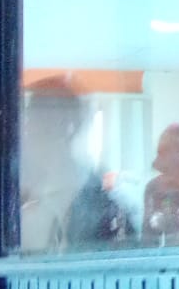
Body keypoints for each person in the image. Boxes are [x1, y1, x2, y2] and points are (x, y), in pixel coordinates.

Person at [20, 77, 137, 252]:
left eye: (41, 116)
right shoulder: (15, 192)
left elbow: (123, 257)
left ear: (70, 125)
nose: (29, 125)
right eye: (33, 114)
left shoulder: (101, 201)